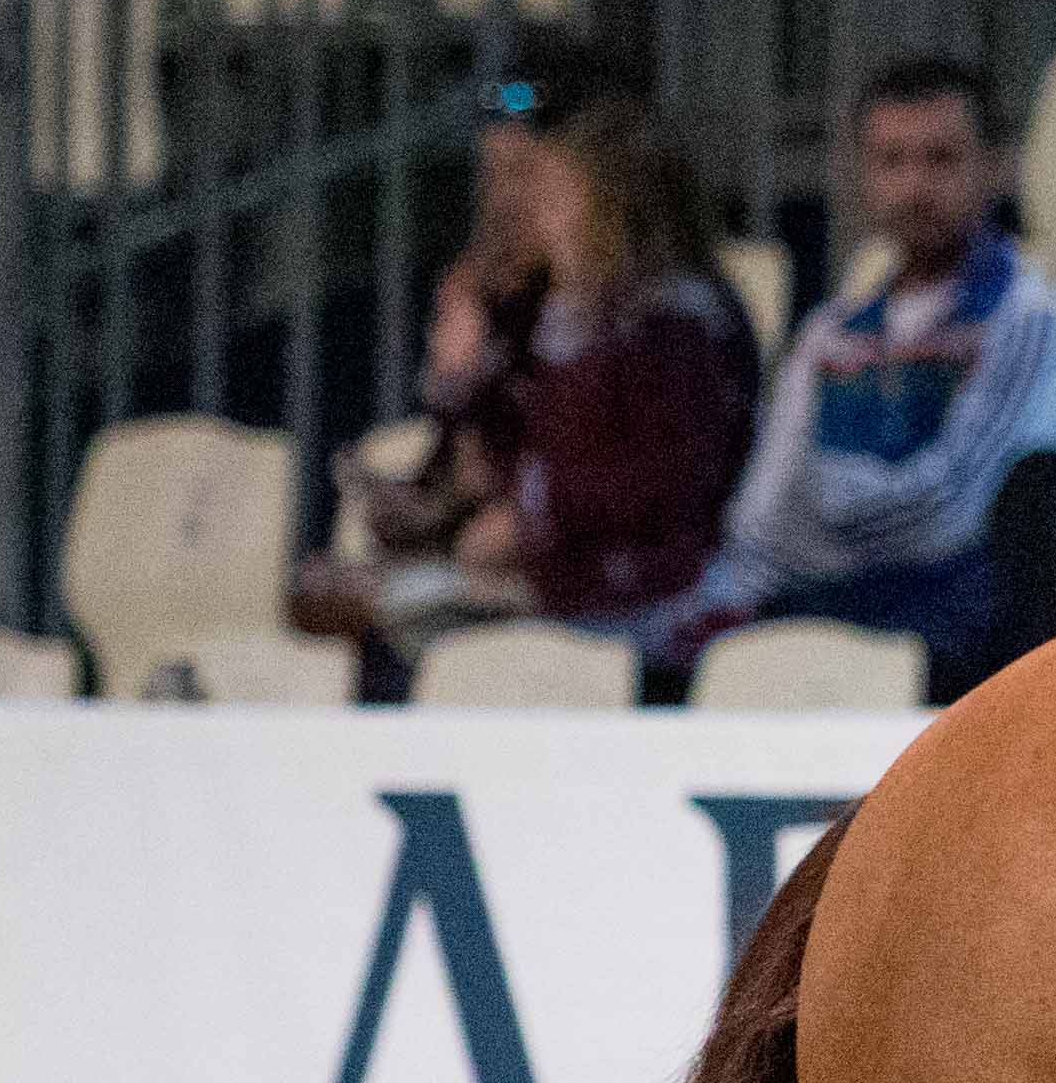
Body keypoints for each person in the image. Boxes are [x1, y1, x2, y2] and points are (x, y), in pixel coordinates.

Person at [648, 54, 1056, 689]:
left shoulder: (1034, 318)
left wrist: (824, 517)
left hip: (973, 646)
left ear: (995, 169)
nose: (914, 186)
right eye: (891, 162)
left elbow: (957, 512)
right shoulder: (830, 332)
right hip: (839, 606)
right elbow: (759, 523)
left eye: (941, 159)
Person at [289, 79, 761, 681]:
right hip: (556, 582)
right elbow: (499, 459)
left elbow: (654, 490)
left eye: (545, 191)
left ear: (615, 211)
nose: (523, 211)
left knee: (410, 627)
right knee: (334, 600)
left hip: (637, 601)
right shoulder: (546, 314)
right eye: (497, 182)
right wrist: (458, 391)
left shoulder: (675, 325)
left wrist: (528, 523)